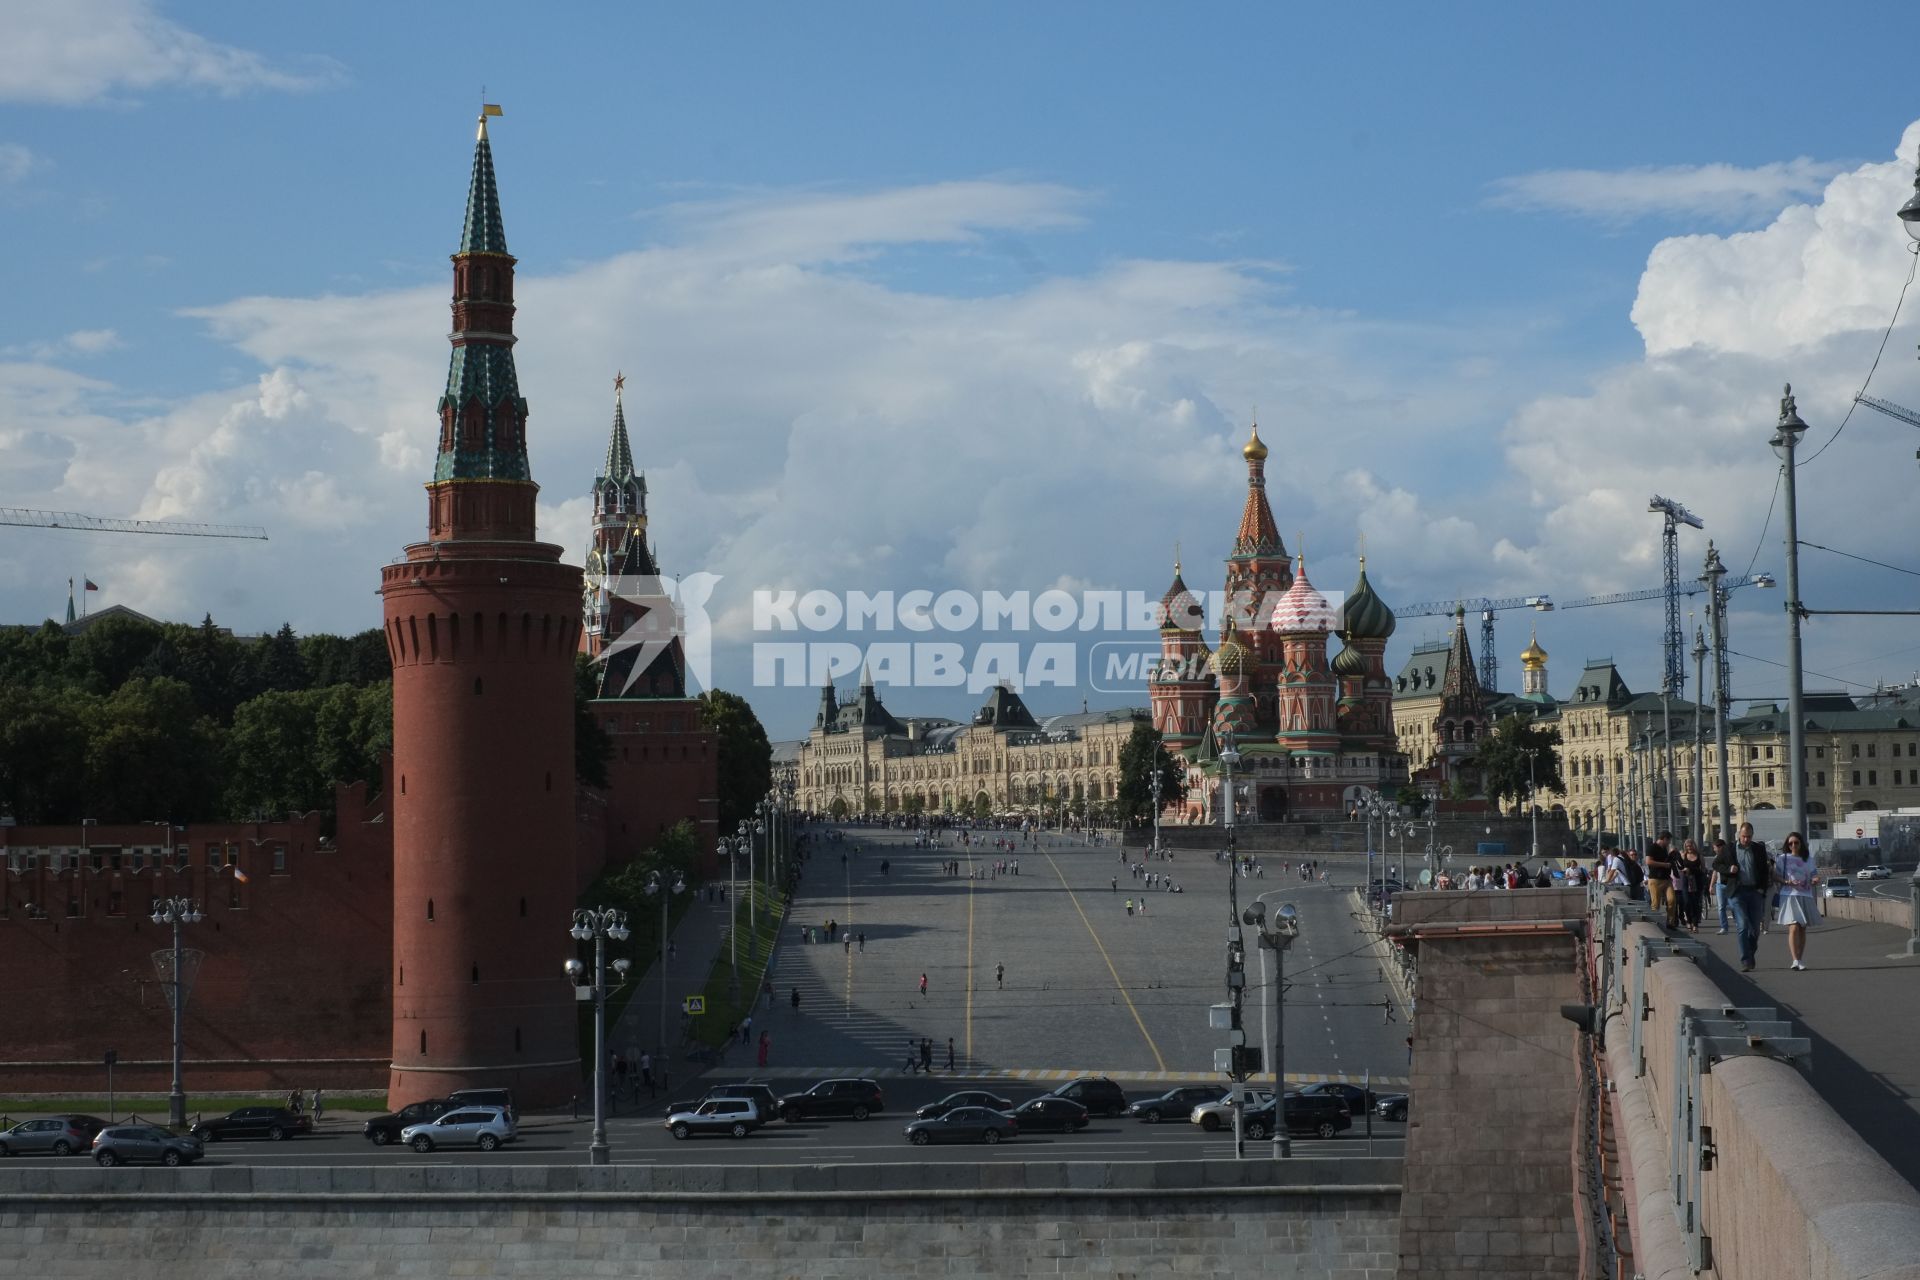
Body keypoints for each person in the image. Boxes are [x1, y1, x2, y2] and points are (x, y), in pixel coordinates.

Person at [1712, 822, 1771, 972]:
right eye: (1744, 836)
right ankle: (1746, 960)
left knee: (1755, 930)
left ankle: (1750, 952)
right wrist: (1729, 870)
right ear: (1739, 835)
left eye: (1749, 837)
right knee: (1743, 925)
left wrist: (1762, 889)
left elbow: (1765, 871)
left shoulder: (1758, 848)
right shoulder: (1729, 849)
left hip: (1754, 892)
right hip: (1737, 892)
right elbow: (1716, 865)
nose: (1746, 839)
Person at [1773, 832, 1819, 970]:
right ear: (1787, 845)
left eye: (1796, 843)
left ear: (1801, 844)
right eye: (1790, 843)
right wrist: (1786, 881)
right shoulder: (1782, 858)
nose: (1793, 845)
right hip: (1789, 894)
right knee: (1793, 927)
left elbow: (1814, 874)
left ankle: (1800, 959)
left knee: (1802, 928)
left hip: (1805, 894)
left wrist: (1815, 880)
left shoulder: (1808, 859)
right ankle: (1794, 960)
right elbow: (1775, 875)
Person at [1645, 832, 1674, 922]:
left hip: (1666, 878)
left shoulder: (1664, 848)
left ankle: (1670, 923)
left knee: (1671, 900)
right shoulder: (1652, 847)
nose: (1669, 843)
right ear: (1664, 839)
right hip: (1655, 878)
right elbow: (1648, 861)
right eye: (1668, 840)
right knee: (1656, 903)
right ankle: (1654, 923)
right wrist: (1664, 865)